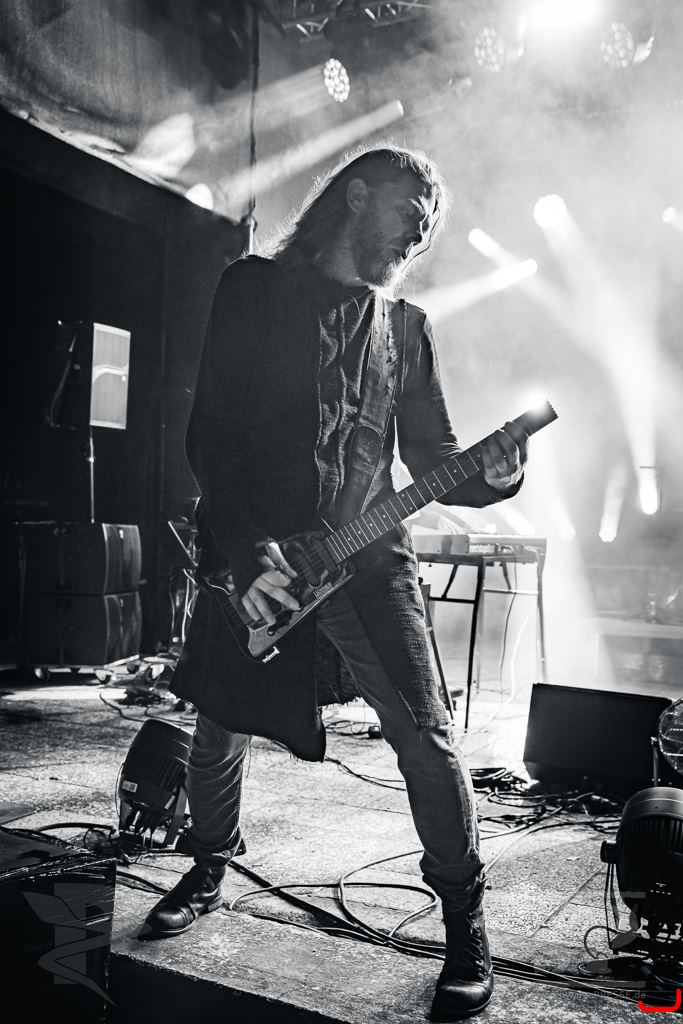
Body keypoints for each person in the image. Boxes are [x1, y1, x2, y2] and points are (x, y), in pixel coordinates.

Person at [146, 145, 528, 1021]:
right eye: (411, 213)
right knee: (219, 721)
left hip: (368, 557)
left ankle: (464, 923)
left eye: (430, 226)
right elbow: (212, 434)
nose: (420, 235)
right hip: (260, 551)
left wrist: (495, 476)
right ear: (357, 196)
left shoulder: (407, 328)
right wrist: (247, 552)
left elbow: (435, 457)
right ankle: (208, 865)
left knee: (426, 736)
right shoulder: (253, 289)